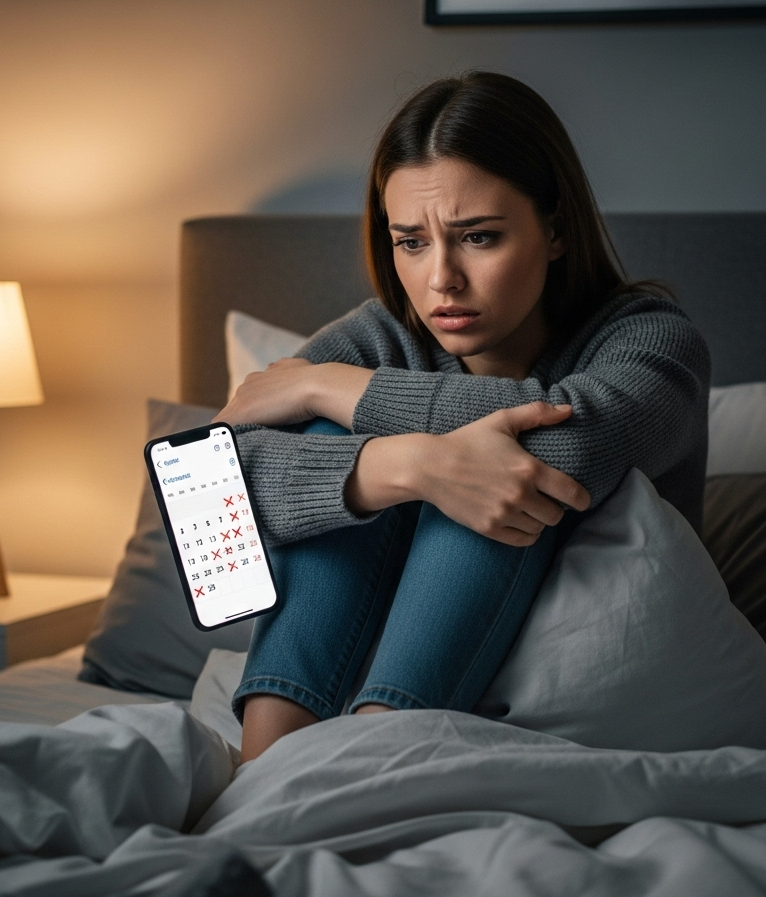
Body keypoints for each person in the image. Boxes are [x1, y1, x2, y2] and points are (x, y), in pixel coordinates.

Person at [216, 72, 710, 763]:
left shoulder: (651, 340)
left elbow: (575, 439)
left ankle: (373, 758)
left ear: (556, 230)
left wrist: (328, 387)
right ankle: (262, 768)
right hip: (343, 682)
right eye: (410, 242)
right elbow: (209, 478)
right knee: (354, 448)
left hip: (604, 701)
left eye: (477, 238)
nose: (440, 280)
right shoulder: (383, 336)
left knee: (498, 467)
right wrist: (407, 465)